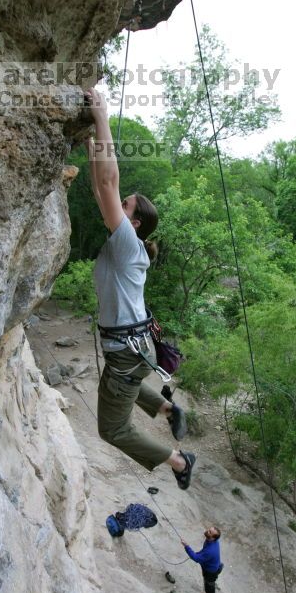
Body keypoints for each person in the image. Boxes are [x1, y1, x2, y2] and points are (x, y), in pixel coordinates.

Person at [84, 86, 195, 489]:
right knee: (120, 385)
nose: (119, 203)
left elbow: (108, 185)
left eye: (127, 205)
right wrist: (91, 145)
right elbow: (101, 190)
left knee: (111, 430)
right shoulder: (127, 241)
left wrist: (102, 119)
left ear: (135, 225)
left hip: (128, 351)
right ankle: (168, 409)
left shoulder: (128, 243)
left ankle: (180, 461)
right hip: (132, 346)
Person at [181, 526, 223, 593]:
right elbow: (203, 552)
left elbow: (196, 558)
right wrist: (198, 554)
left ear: (213, 538)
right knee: (207, 586)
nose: (207, 531)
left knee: (209, 588)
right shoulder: (211, 541)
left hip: (211, 572)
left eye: (210, 532)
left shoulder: (210, 551)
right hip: (211, 567)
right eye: (209, 530)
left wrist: (187, 546)